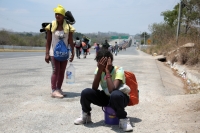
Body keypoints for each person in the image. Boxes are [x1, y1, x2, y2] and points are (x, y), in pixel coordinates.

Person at [74, 48, 133, 132]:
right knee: (86, 92)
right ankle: (86, 115)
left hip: (120, 98)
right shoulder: (99, 70)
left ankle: (123, 119)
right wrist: (99, 71)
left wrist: (107, 72)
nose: (102, 65)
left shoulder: (119, 70)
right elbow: (94, 88)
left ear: (110, 60)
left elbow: (112, 90)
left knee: (115, 94)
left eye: (105, 62)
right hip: (106, 97)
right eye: (100, 62)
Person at [45, 4, 75, 98]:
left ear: (63, 16)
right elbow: (48, 40)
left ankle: (58, 88)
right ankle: (53, 90)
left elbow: (70, 41)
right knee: (56, 70)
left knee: (62, 71)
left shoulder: (69, 27)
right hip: (53, 52)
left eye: (59, 14)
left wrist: (73, 52)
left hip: (64, 53)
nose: (57, 16)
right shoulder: (51, 26)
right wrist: (46, 53)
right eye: (56, 14)